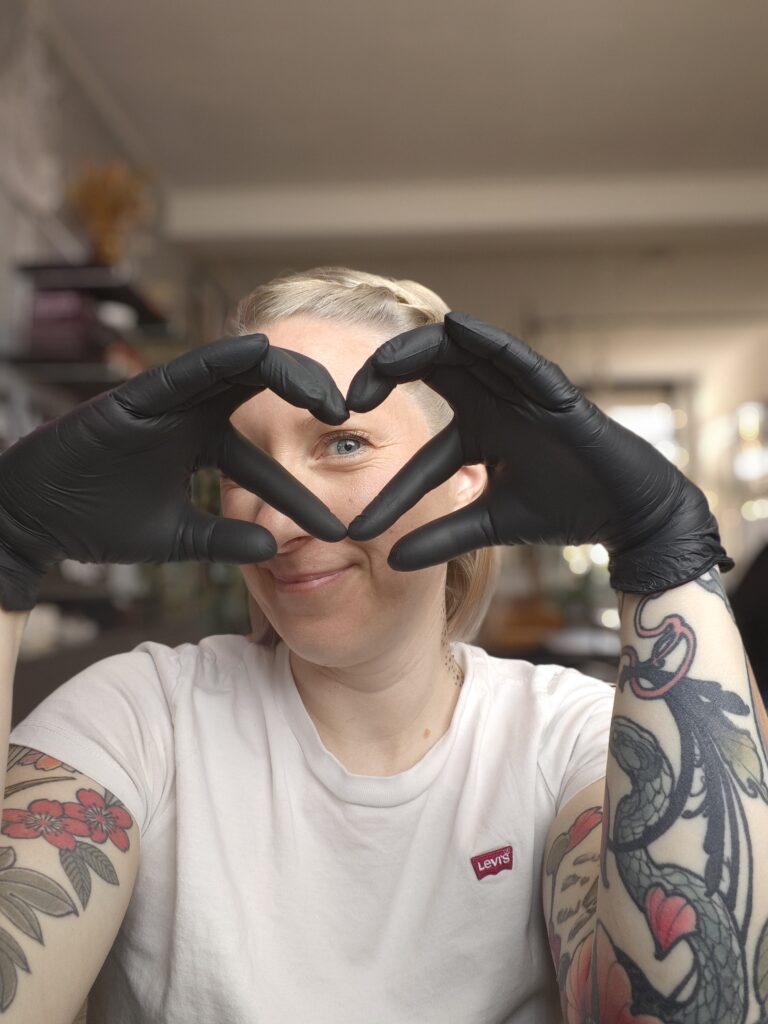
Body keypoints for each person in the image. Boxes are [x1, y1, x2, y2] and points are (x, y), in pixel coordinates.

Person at [0, 266, 765, 1024]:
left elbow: (697, 1006)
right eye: (246, 464)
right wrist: (5, 552)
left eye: (342, 443)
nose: (277, 521)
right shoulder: (135, 718)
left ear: (468, 470)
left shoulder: (571, 740)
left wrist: (664, 553)